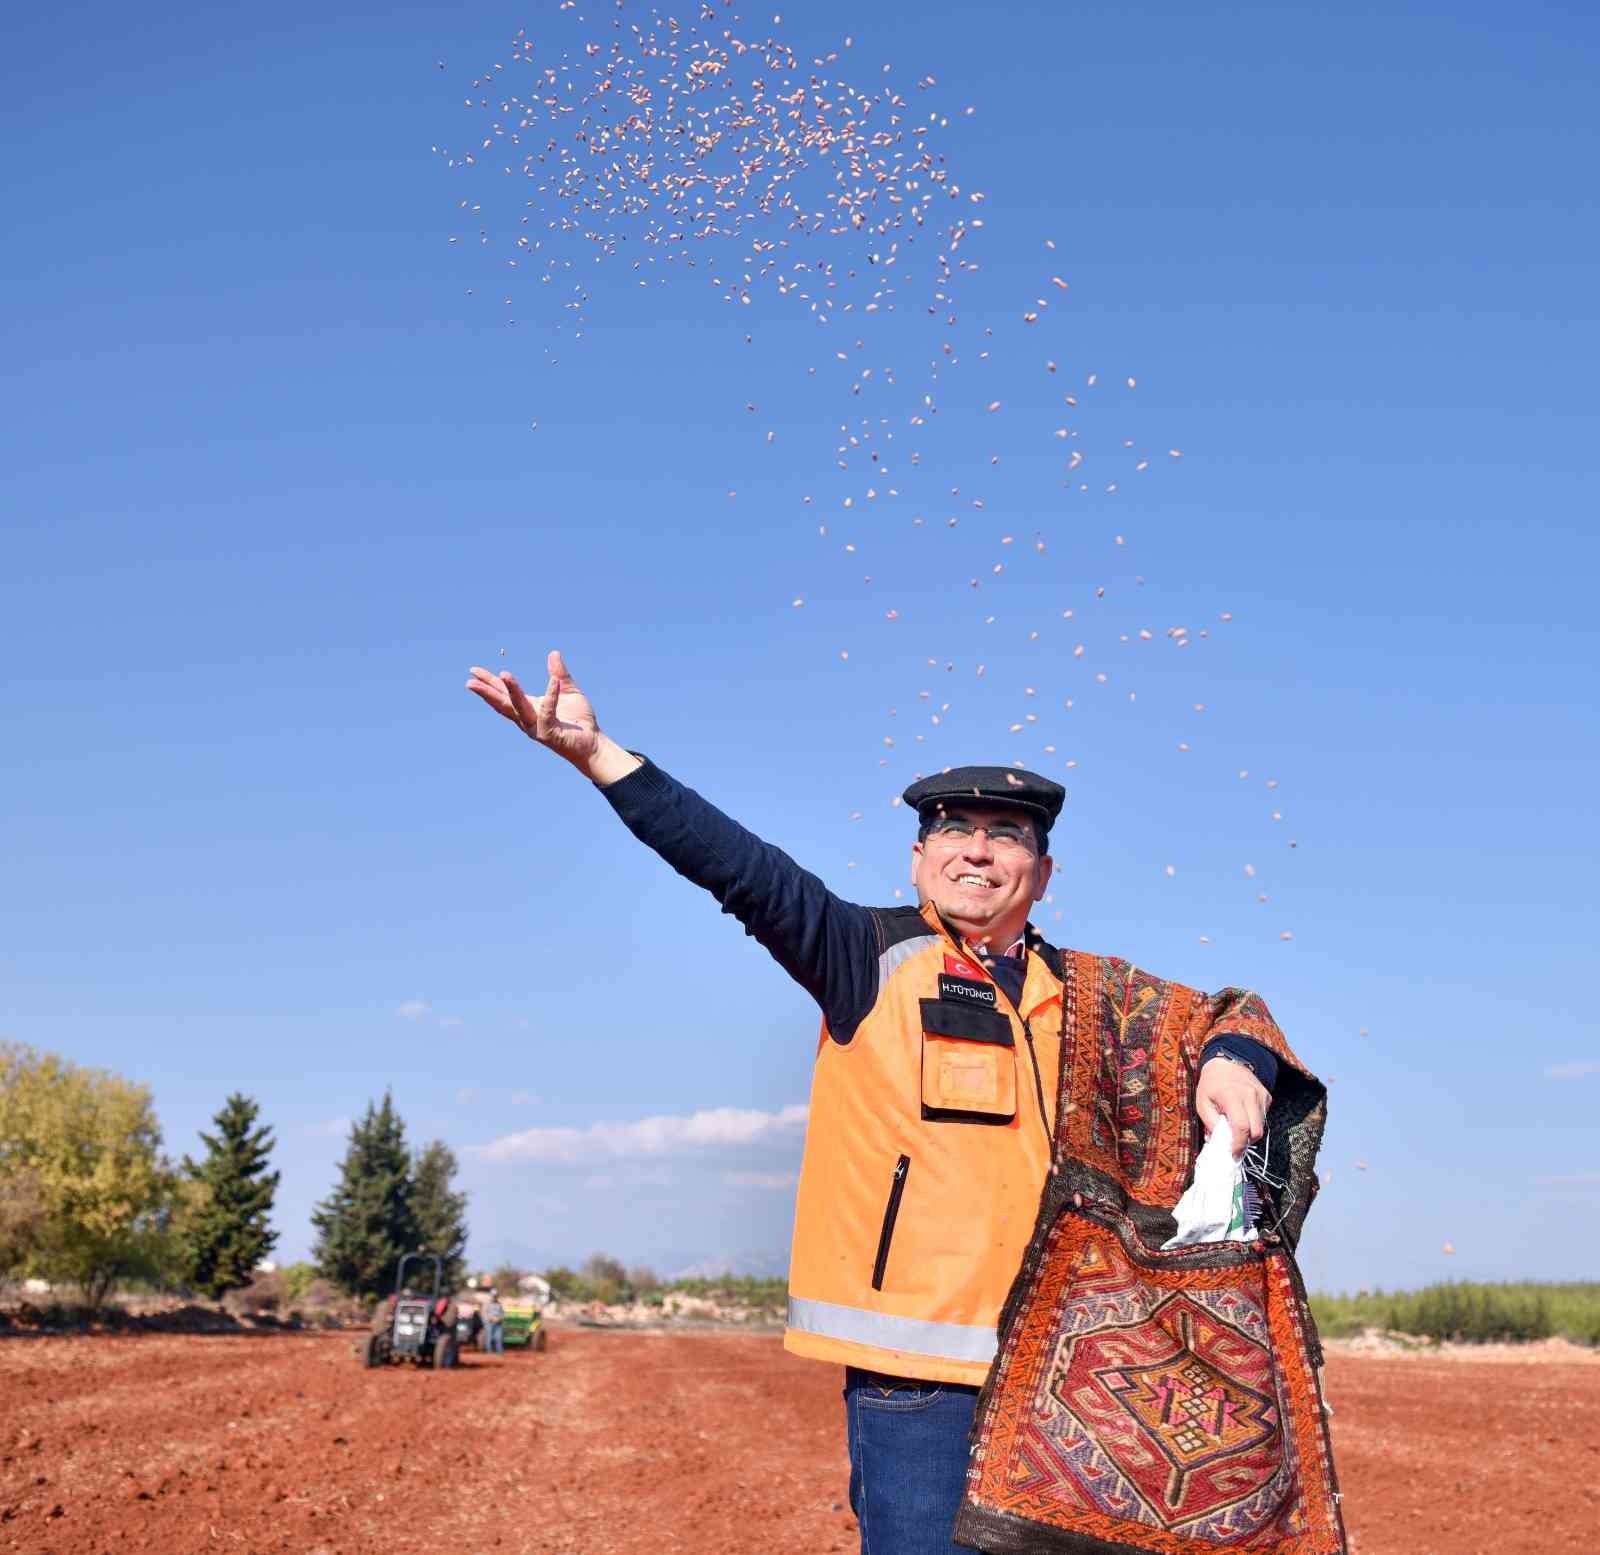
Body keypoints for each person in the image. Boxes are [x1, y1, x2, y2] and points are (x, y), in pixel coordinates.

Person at [466, 651, 1296, 1555]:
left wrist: (1233, 1057)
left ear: (1043, 873)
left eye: (1007, 834)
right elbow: (736, 866)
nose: (978, 849)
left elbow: (1227, 1010)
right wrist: (600, 756)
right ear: (919, 855)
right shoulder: (865, 953)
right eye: (955, 828)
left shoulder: (1095, 997)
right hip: (920, 1386)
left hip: (1072, 1379)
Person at [481, 1289, 506, 1355]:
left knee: (499, 1337)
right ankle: (489, 1352)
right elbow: (484, 1313)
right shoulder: (486, 1304)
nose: (494, 1297)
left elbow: (503, 1313)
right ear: (491, 1295)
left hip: (498, 1323)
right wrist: (490, 1318)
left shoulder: (499, 1304)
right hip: (489, 1323)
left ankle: (499, 1352)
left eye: (496, 1295)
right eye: (493, 1295)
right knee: (489, 1338)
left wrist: (500, 1318)